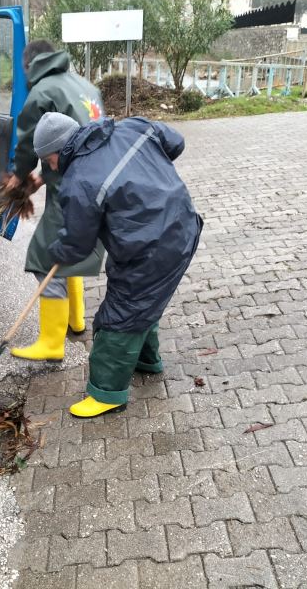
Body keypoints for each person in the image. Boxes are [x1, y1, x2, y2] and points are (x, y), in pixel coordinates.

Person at [33, 113, 203, 418]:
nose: (51, 167)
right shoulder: (134, 127)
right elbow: (175, 142)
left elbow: (77, 243)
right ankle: (146, 361)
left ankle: (107, 393)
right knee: (143, 300)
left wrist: (57, 252)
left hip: (151, 248)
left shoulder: (79, 181)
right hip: (184, 225)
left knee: (118, 315)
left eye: (49, 160)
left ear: (59, 151)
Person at [4, 40, 105, 362]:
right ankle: (75, 320)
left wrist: (19, 178)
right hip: (95, 180)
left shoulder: (42, 92)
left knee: (47, 255)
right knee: (70, 245)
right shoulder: (84, 85)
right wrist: (44, 178)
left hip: (71, 188)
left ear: (29, 65)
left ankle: (51, 343)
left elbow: (28, 145)